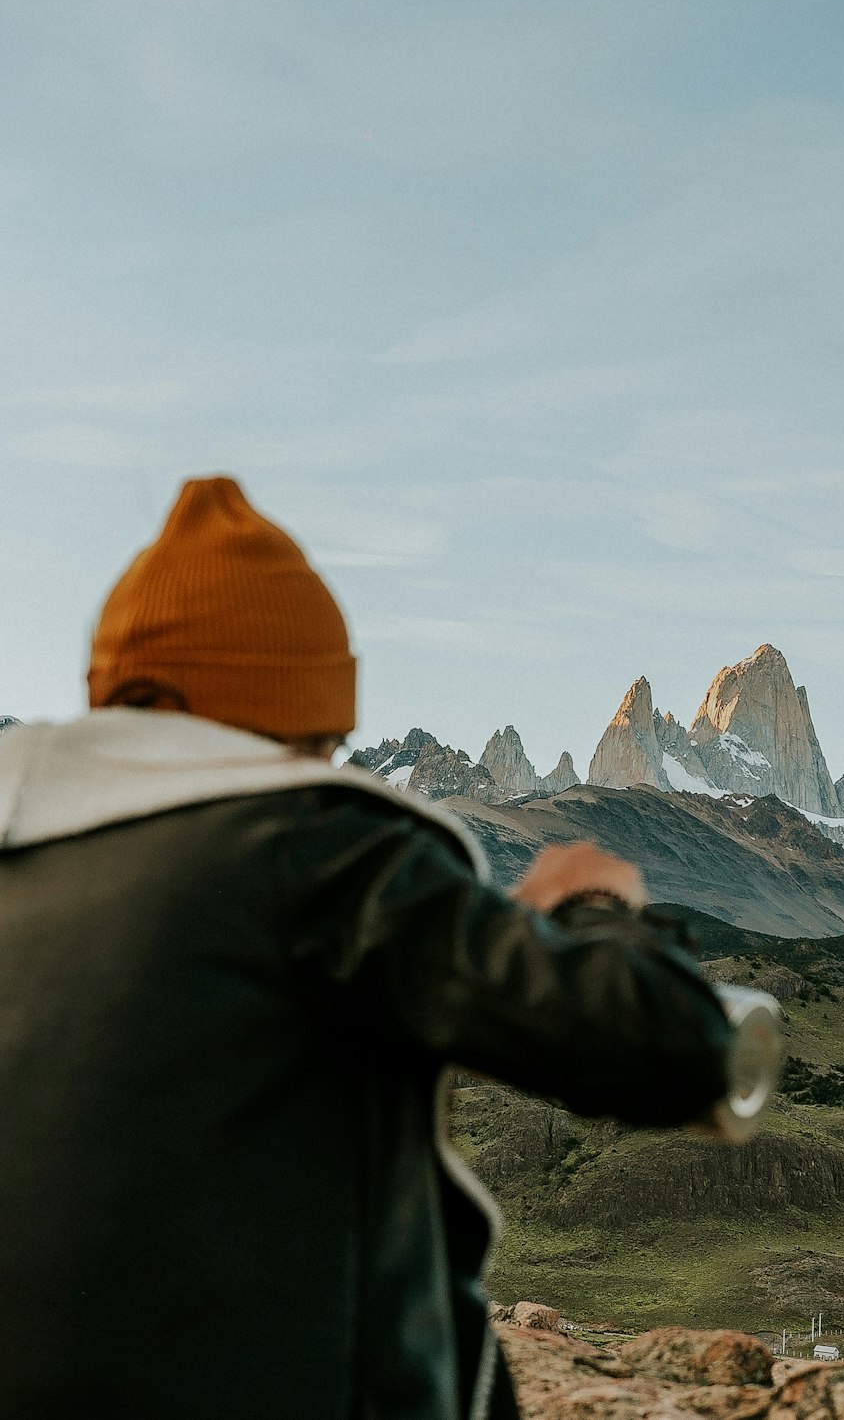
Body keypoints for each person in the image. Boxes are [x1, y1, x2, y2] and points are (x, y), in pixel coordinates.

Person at [0, 477, 732, 1420]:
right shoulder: (315, 850)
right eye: (330, 734)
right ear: (298, 708)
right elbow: (665, 1042)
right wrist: (592, 908)